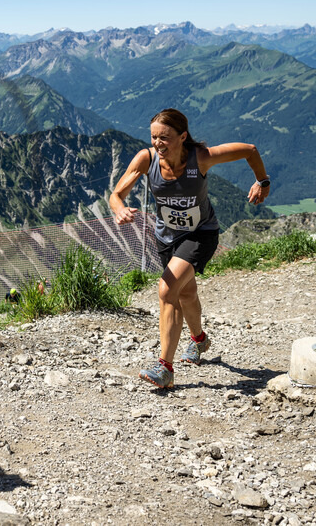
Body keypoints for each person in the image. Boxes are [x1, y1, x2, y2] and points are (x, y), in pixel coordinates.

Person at [108, 108, 270, 389]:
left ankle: (165, 368)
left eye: (165, 137)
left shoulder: (201, 158)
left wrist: (262, 181)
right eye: (154, 137)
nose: (158, 143)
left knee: (167, 289)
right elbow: (116, 194)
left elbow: (250, 150)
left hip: (201, 233)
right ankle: (199, 340)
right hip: (166, 238)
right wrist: (119, 208)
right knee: (186, 292)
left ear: (183, 137)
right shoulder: (146, 159)